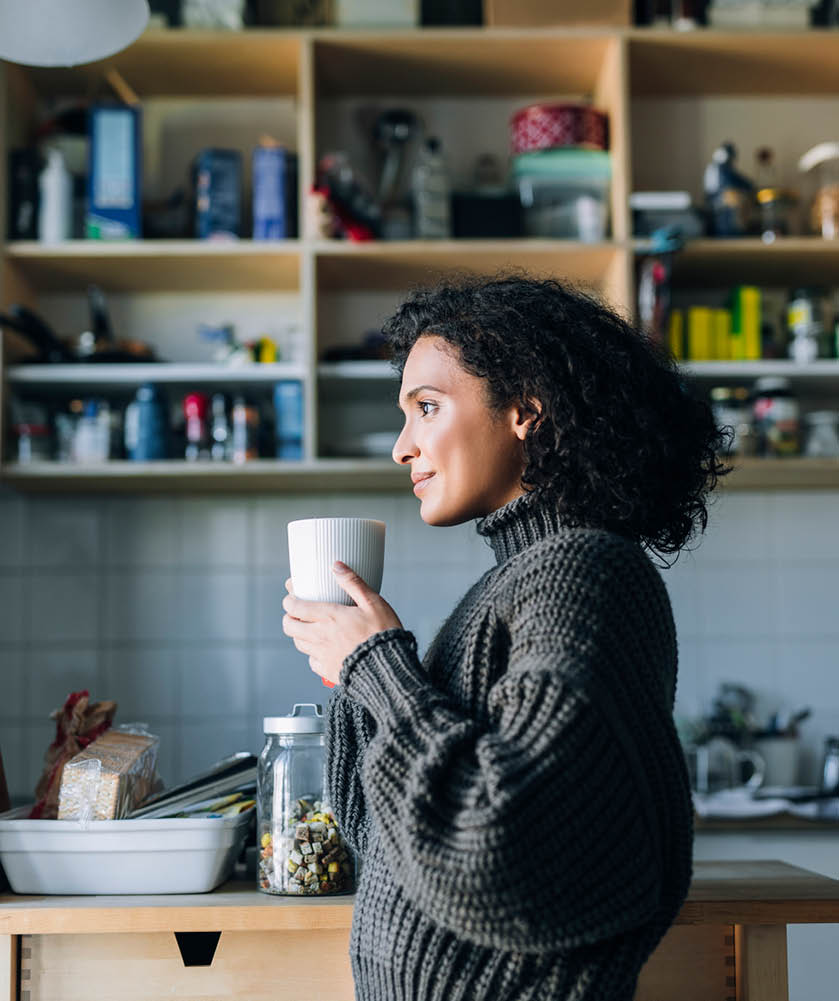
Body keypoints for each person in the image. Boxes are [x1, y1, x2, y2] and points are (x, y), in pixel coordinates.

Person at [282, 275, 728, 1001]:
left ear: (525, 408)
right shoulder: (514, 581)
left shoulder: (583, 572)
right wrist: (354, 672)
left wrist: (378, 665)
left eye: (425, 407)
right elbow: (395, 847)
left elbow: (506, 854)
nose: (402, 446)